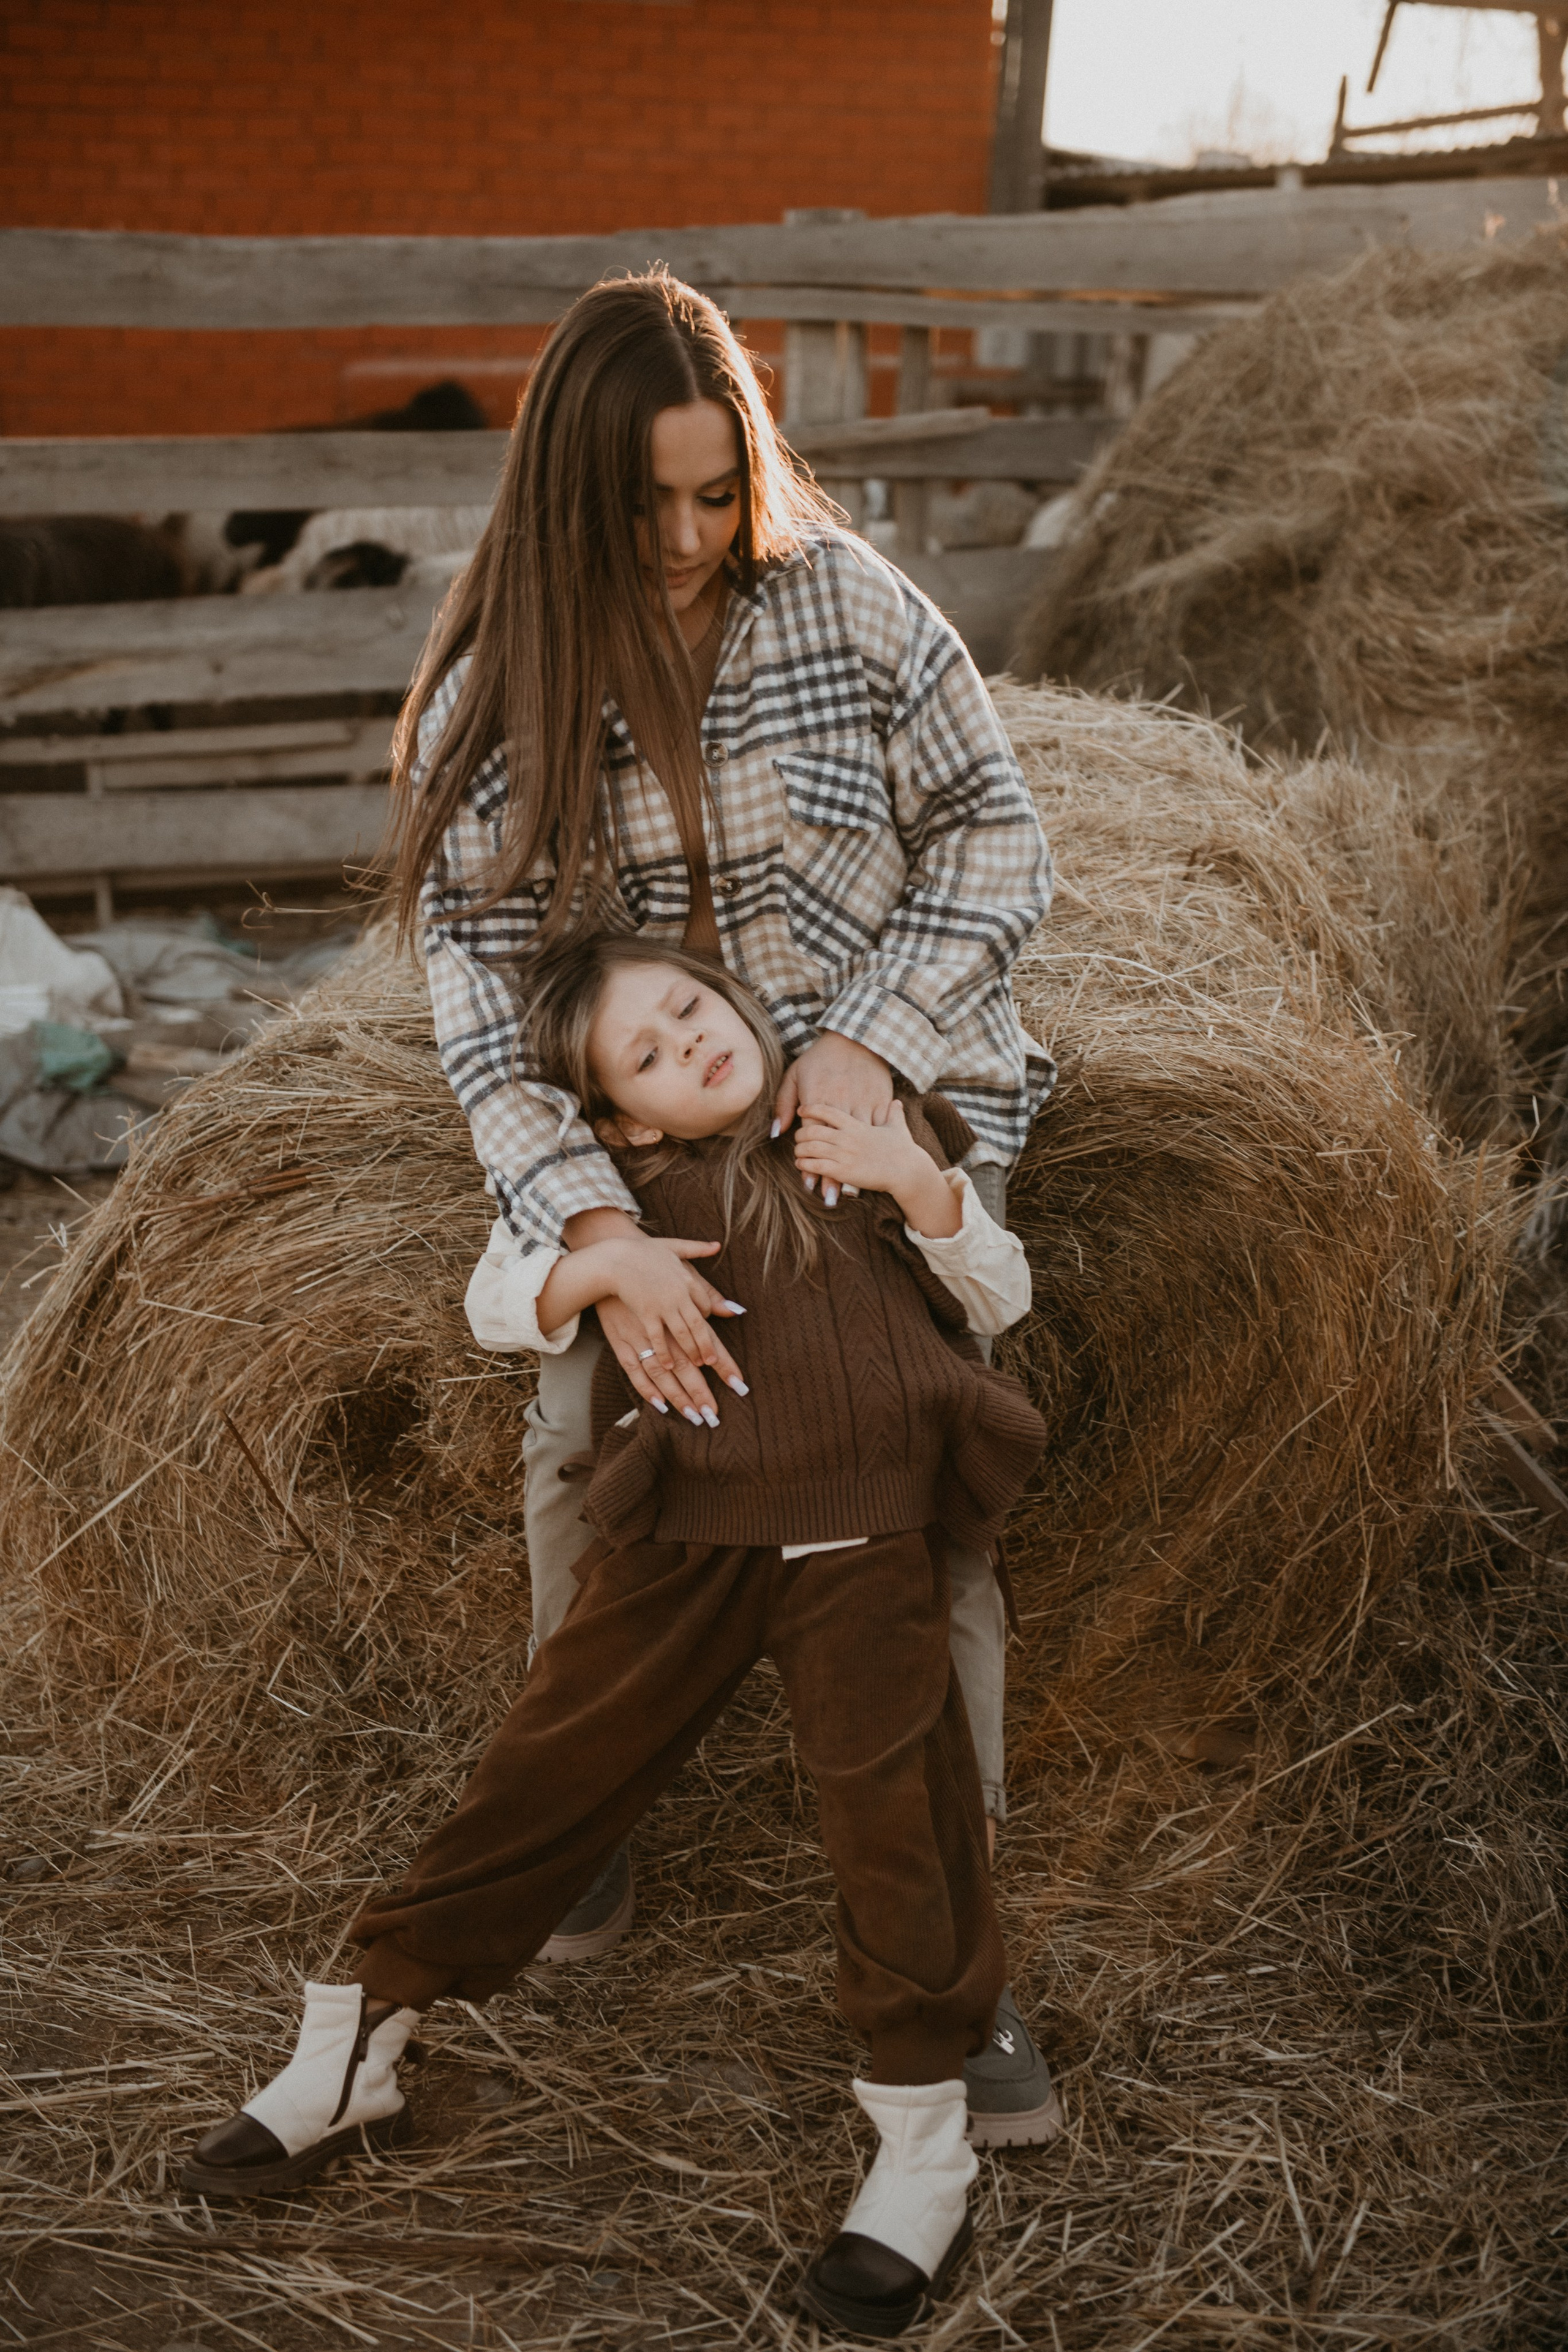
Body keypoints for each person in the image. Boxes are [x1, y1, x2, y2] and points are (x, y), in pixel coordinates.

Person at [180, 941, 1053, 2340]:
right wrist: (599, 1273)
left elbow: (994, 1298)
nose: (689, 1045)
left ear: (744, 1004)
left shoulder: (866, 1129)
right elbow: (488, 1309)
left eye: (692, 1010)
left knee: (899, 1820)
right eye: (644, 1055)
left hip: (860, 1542)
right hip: (683, 1546)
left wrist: (916, 1187)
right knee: (545, 1774)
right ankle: (358, 2037)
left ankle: (918, 2143)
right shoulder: (604, 1204)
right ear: (624, 1122)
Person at [398, 272, 1055, 2103]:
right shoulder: (502, 683)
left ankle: (956, 1955)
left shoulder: (848, 603)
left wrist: (871, 1040)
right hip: (651, 1133)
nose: (689, 539)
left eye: (716, 493)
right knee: (583, 1431)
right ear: (567, 492)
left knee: (923, 1480)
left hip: (866, 1095)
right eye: (646, 503)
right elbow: (479, 1009)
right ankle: (582, 1805)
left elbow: (1000, 835)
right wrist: (598, 1238)